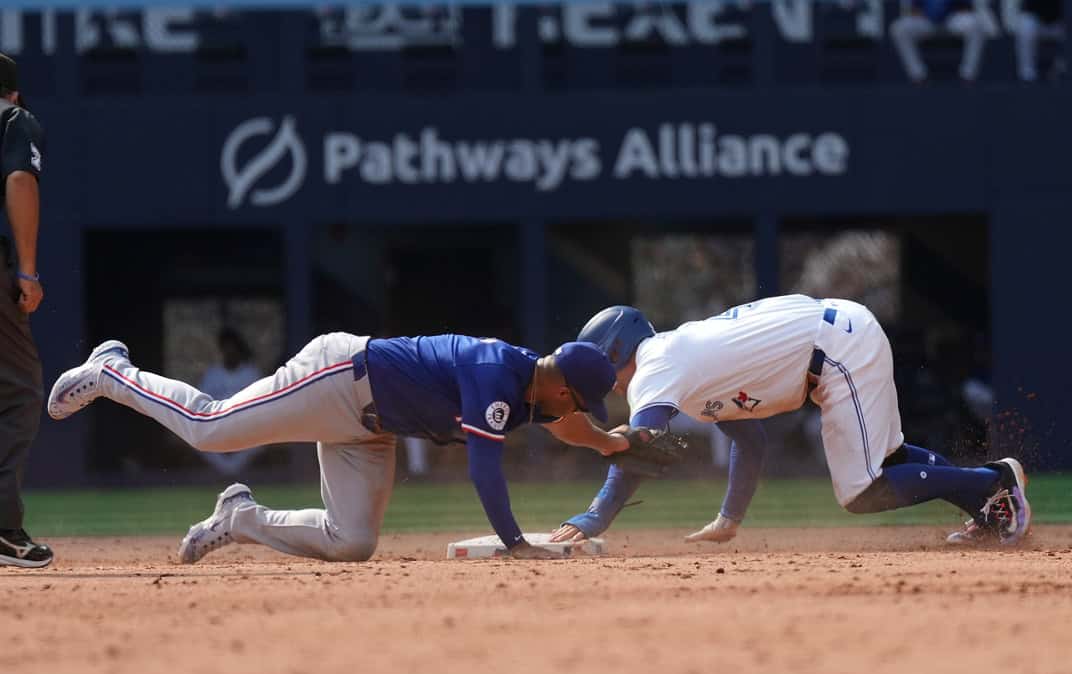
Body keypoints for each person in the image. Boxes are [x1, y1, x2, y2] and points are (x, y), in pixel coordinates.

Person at [48, 332, 627, 562]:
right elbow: (484, 468)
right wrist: (515, 543)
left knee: (351, 542)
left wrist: (609, 444)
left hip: (373, 428)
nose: (576, 412)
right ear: (560, 385)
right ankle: (112, 372)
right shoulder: (495, 373)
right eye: (578, 401)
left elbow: (562, 424)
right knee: (212, 428)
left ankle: (242, 518)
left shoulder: (533, 390)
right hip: (339, 378)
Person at [549, 296, 1032, 547]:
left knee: (862, 490)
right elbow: (750, 439)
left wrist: (596, 515)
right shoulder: (679, 364)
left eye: (604, 373)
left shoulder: (655, 364)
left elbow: (639, 443)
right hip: (840, 337)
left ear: (616, 351)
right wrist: (730, 518)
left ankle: (993, 484)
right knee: (888, 460)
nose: (607, 386)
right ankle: (989, 507)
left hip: (837, 348)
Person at [0, 53, 52, 569]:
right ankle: (1, 527)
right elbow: (19, 179)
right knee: (19, 389)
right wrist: (28, 270)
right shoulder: (13, 118)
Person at [196, 327, 263, 477]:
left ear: (239, 350)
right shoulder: (212, 373)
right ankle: (226, 474)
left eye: (233, 348)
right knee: (197, 439)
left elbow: (262, 406)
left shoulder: (250, 372)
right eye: (226, 348)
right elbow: (201, 404)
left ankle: (232, 474)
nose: (230, 352)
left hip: (246, 428)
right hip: (218, 427)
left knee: (262, 439)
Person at [889, 0, 994, 84]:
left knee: (976, 25)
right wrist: (920, 12)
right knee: (899, 29)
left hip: (952, 19)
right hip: (926, 21)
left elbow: (967, 7)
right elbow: (913, 9)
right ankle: (918, 76)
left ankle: (968, 76)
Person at [1014, 0, 1063, 83]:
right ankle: (1027, 76)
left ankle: (1062, 71)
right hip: (1038, 22)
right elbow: (1026, 7)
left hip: (1061, 24)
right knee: (1026, 25)